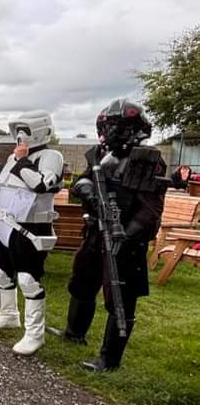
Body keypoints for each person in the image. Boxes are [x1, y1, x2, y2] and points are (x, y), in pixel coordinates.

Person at [60, 99, 167, 371]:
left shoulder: (148, 160)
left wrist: (125, 235)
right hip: (96, 230)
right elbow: (82, 181)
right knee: (82, 281)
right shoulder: (100, 154)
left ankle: (109, 360)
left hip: (126, 238)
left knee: (121, 296)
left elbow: (149, 209)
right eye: (110, 125)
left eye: (120, 125)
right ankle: (74, 333)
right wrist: (86, 192)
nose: (114, 131)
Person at [0, 111, 63, 355]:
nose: (20, 137)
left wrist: (23, 161)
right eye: (18, 132)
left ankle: (34, 334)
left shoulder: (50, 156)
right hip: (3, 225)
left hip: (31, 227)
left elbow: (41, 185)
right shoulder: (13, 159)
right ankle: (8, 315)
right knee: (1, 274)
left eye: (25, 131)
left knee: (28, 279)